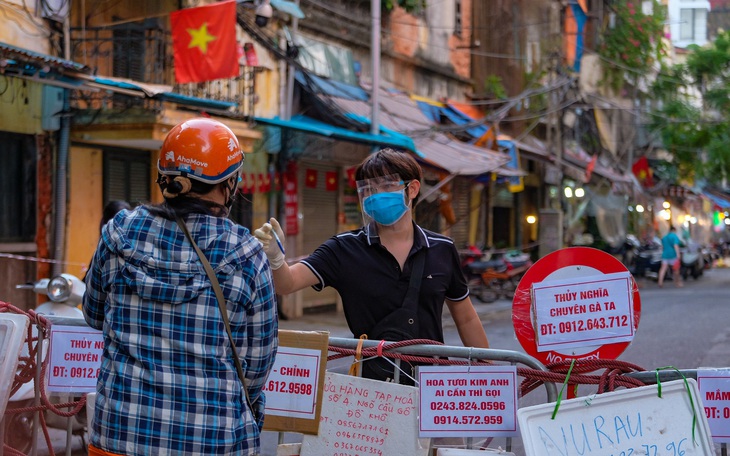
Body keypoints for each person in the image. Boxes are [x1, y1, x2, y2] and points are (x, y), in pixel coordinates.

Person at [83, 118, 278, 456]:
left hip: (118, 435)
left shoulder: (118, 233)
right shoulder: (246, 253)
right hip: (212, 440)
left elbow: (93, 314)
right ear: (228, 184)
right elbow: (256, 365)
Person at [255, 148, 489, 384]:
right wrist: (275, 259)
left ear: (413, 188)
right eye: (369, 189)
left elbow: (466, 319)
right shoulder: (343, 249)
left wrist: (489, 377)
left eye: (387, 185)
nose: (376, 195)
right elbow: (288, 283)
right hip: (370, 387)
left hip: (431, 384)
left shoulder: (441, 248)